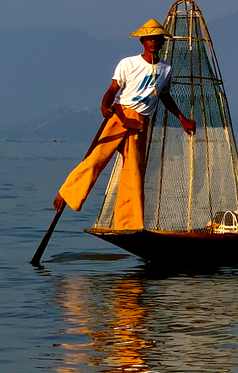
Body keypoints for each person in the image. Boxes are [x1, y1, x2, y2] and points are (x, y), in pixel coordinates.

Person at [53, 19, 196, 230]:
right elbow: (112, 91)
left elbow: (165, 97)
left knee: (133, 172)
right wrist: (104, 106)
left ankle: (128, 223)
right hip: (120, 116)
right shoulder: (128, 63)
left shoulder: (166, 69)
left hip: (140, 123)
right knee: (97, 158)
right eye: (149, 39)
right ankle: (67, 193)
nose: (153, 42)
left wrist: (182, 118)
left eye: (157, 39)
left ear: (163, 42)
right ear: (142, 42)